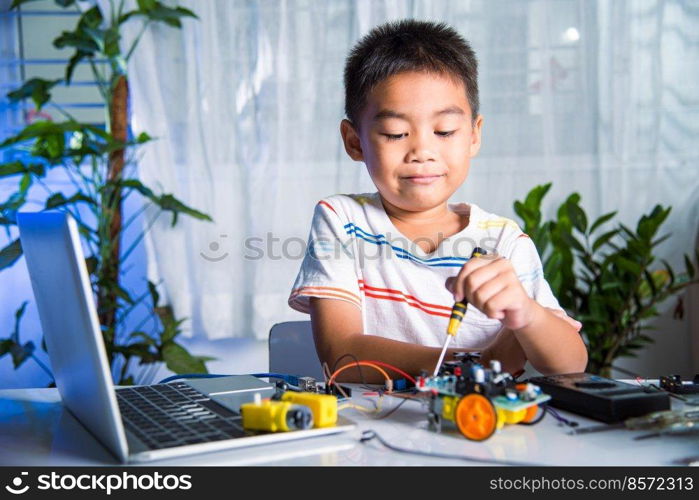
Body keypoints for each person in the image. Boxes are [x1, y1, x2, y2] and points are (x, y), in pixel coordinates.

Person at [288, 19, 587, 382]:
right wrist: (479, 363)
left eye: (444, 131)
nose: (423, 152)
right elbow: (342, 356)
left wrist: (527, 314)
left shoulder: (504, 241)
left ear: (474, 136)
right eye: (395, 133)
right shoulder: (342, 219)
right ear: (355, 142)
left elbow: (572, 365)